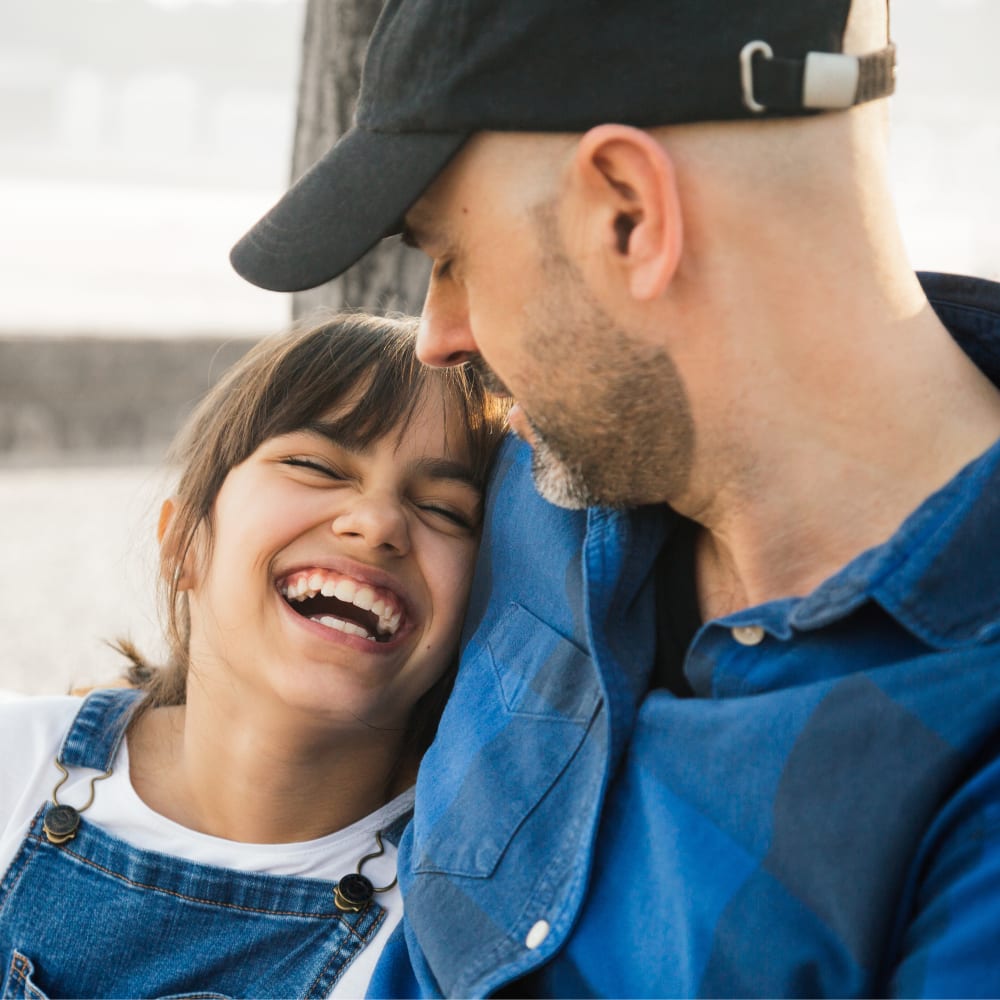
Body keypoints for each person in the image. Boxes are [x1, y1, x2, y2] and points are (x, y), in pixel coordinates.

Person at [230, 0, 1000, 996]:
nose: (437, 335)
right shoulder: (534, 487)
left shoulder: (965, 747)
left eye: (449, 259)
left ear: (628, 212)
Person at [0, 313, 507, 998]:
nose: (379, 522)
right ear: (184, 544)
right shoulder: (15, 768)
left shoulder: (451, 931)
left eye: (447, 510)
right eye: (316, 465)